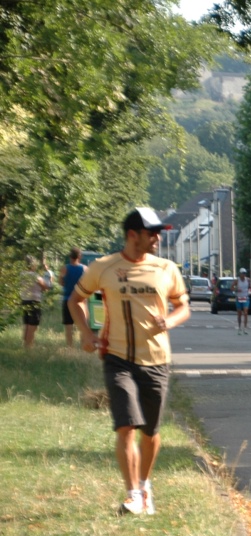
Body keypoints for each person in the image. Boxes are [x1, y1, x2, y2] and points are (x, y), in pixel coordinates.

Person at [68, 207, 190, 516]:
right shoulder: (104, 267)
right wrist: (86, 333)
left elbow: (183, 306)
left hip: (156, 360)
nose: (157, 239)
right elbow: (75, 299)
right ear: (133, 235)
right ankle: (132, 494)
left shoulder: (166, 268)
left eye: (159, 233)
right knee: (126, 426)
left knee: (150, 432)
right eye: (153, 233)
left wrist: (169, 321)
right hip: (117, 357)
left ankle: (145, 486)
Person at [20, 254, 52, 348]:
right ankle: (29, 347)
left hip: (24, 300)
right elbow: (46, 286)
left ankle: (25, 345)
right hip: (34, 302)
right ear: (33, 265)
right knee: (33, 325)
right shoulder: (35, 276)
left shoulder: (22, 274)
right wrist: (47, 273)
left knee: (26, 324)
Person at [59, 246, 86, 347]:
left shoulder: (64, 268)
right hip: (80, 299)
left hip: (68, 299)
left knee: (68, 325)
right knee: (82, 325)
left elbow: (61, 282)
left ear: (70, 256)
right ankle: (83, 346)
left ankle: (70, 347)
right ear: (80, 256)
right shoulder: (85, 269)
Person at [234, 267, 251, 335]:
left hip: (245, 298)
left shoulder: (248, 280)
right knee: (239, 314)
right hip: (239, 298)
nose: (244, 275)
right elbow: (231, 288)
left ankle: (245, 328)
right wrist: (237, 290)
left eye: (245, 273)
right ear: (240, 274)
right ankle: (239, 327)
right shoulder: (237, 280)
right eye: (242, 273)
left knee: (246, 313)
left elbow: (250, 287)